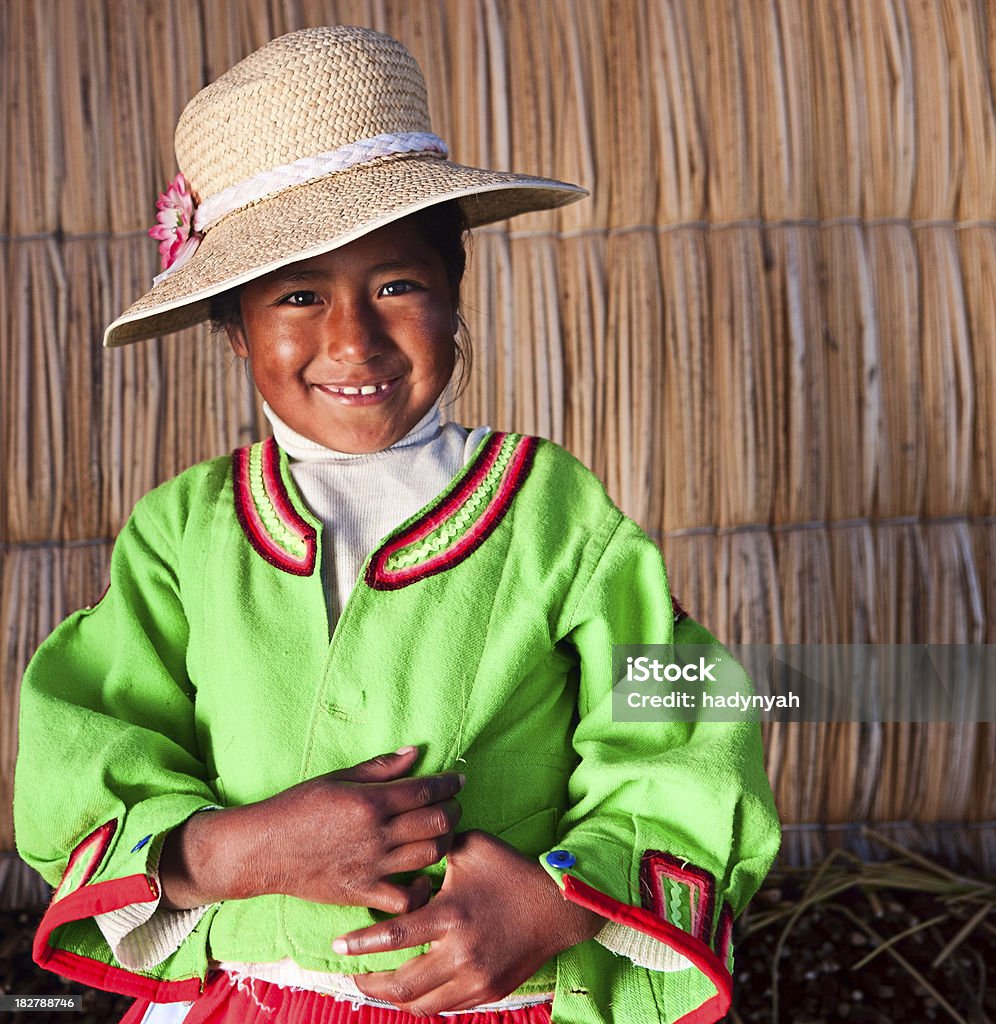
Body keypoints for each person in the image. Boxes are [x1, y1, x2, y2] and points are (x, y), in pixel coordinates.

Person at [14, 25, 780, 1024]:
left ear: (455, 290)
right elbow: (88, 738)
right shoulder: (181, 535)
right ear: (233, 326)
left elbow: (687, 723)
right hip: (245, 1001)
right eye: (297, 294)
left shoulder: (556, 515)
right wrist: (222, 851)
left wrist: (555, 902)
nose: (352, 338)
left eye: (396, 284)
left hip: (501, 1001)